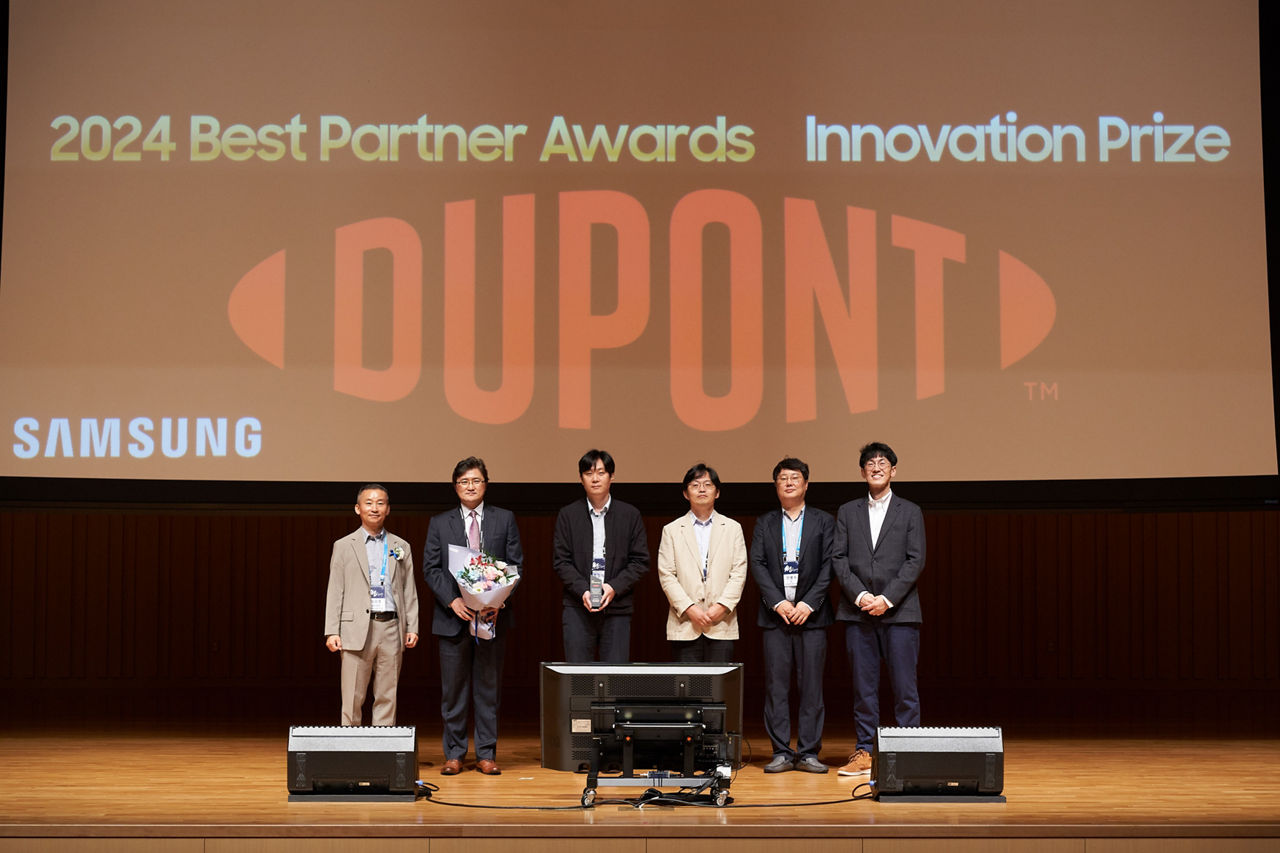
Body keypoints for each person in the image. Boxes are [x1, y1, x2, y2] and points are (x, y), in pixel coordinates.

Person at [422, 457, 524, 776]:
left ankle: (486, 754)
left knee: (488, 689)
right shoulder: (440, 523)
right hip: (453, 618)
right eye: (464, 481)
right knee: (453, 691)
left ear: (486, 485)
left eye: (476, 480)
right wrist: (452, 600)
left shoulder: (504, 519)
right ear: (455, 487)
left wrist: (498, 601)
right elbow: (431, 568)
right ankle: (454, 754)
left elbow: (515, 565)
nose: (470, 486)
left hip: (491, 620)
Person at [832, 442, 926, 776]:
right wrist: (860, 596)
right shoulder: (847, 511)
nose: (876, 466)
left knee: (905, 688)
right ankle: (865, 752)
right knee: (864, 688)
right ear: (862, 472)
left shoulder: (910, 511)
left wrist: (886, 599)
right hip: (857, 612)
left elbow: (916, 560)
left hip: (900, 612)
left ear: (893, 470)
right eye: (869, 463)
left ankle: (908, 753)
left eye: (882, 462)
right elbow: (839, 559)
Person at [748, 457, 836, 773]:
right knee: (777, 687)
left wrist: (808, 604)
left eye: (795, 477)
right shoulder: (765, 523)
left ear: (806, 484)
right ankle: (781, 752)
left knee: (811, 687)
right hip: (776, 617)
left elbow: (830, 565)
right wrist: (778, 602)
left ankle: (809, 751)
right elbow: (757, 564)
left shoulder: (824, 522)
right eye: (783, 478)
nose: (788, 483)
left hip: (812, 617)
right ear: (776, 486)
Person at [323, 484, 419, 726]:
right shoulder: (344, 545)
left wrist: (412, 626)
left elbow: (408, 588)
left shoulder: (401, 546)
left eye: (380, 503)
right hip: (355, 628)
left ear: (388, 509)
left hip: (391, 627)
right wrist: (332, 630)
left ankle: (382, 746)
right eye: (369, 503)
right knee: (352, 696)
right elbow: (335, 589)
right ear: (358, 508)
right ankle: (349, 745)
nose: (374, 508)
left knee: (387, 695)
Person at [552, 449, 650, 662]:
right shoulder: (568, 515)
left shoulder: (629, 515)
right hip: (577, 606)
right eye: (588, 473)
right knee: (578, 675)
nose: (595, 479)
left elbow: (640, 561)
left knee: (615, 675)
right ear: (581, 479)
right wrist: (583, 591)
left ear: (611, 476)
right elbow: (561, 562)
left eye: (601, 472)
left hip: (618, 607)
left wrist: (614, 587)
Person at [656, 463, 749, 662]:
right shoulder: (671, 530)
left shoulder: (733, 528)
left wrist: (721, 607)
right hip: (685, 624)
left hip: (722, 623)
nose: (701, 489)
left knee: (721, 682)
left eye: (707, 485)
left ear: (717, 492)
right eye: (695, 485)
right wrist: (690, 609)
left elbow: (739, 573)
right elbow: (667, 575)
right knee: (688, 682)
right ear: (685, 493)